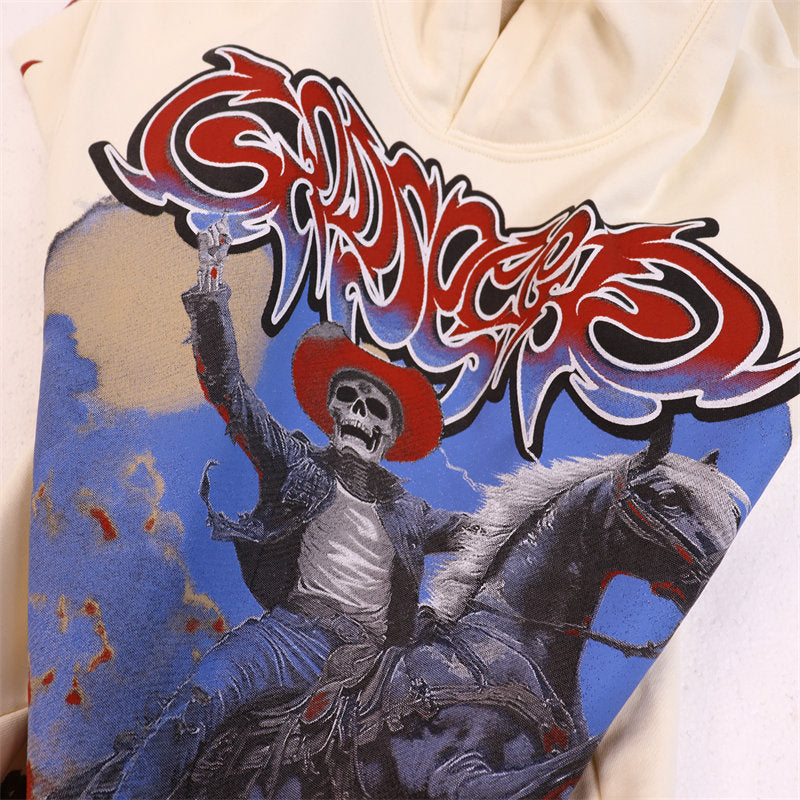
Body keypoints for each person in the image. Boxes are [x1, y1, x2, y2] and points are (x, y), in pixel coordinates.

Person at [101, 219, 471, 799]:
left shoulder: (410, 511)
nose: (361, 414)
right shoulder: (298, 465)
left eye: (376, 409)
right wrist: (211, 281)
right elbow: (230, 389)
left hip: (376, 667)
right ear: (332, 412)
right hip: (291, 639)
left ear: (390, 436)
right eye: (350, 399)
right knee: (196, 705)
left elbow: (489, 534)